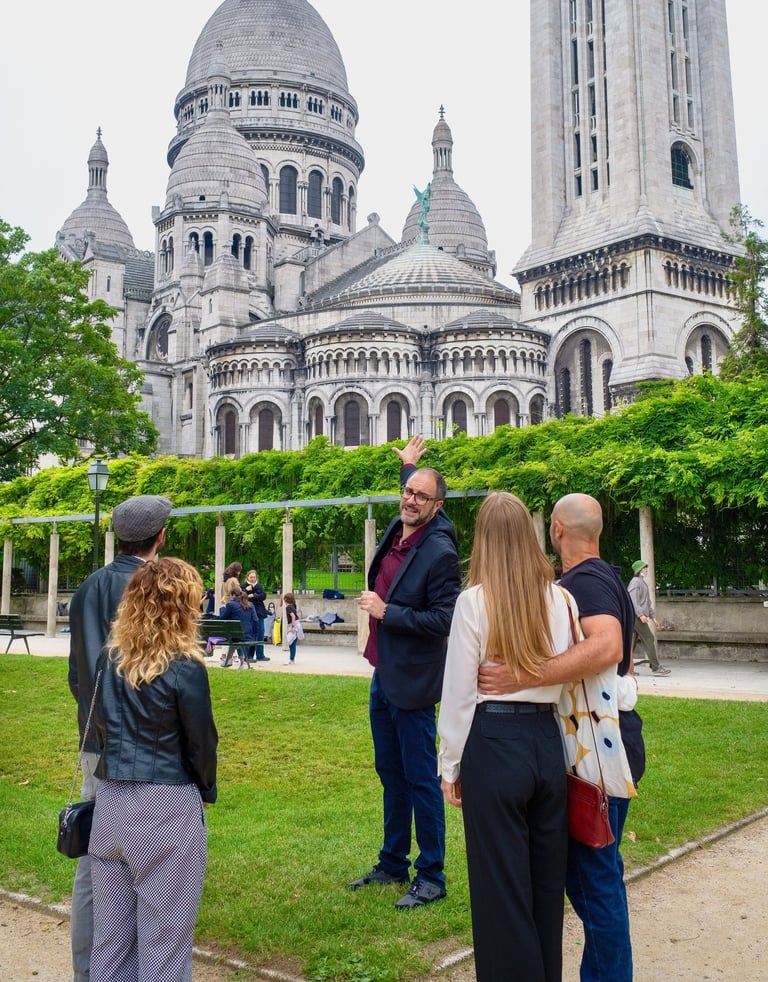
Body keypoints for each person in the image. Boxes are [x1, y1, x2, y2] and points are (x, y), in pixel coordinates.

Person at [478, 492, 645, 982]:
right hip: (608, 746)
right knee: (600, 878)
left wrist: (523, 675)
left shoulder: (586, 581)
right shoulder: (603, 576)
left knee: (595, 885)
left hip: (598, 752)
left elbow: (607, 646)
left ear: (555, 530)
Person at [439, 492, 575, 981]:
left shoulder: (473, 602)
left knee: (501, 895)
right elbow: (565, 675)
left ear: (483, 539)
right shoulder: (561, 598)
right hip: (545, 742)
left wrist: (448, 765)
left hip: (494, 742)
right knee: (544, 889)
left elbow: (458, 692)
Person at [89, 557, 218, 982]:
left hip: (110, 804)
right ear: (184, 607)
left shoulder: (110, 662)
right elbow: (201, 742)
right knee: (165, 948)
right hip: (163, 804)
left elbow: (102, 726)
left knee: (111, 946)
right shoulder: (185, 668)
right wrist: (205, 789)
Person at [349, 435, 461, 909]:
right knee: (389, 773)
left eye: (420, 496)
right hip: (384, 673)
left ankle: (431, 874)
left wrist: (386, 612)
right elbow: (413, 491)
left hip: (413, 682)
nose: (410, 500)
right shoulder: (401, 523)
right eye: (407, 492)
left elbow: (444, 620)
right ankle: (392, 862)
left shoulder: (440, 551)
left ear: (438, 506)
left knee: (419, 779)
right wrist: (410, 467)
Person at [67, 493, 172, 982]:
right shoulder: (153, 586)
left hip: (95, 734)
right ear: (160, 537)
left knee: (97, 857)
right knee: (156, 858)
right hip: (144, 741)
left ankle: (93, 969)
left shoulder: (88, 586)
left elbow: (78, 670)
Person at [628, 560, 670, 676]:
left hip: (636, 617)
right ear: (638, 570)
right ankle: (656, 667)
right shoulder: (635, 582)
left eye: (646, 568)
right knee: (649, 638)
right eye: (644, 568)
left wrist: (653, 618)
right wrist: (640, 614)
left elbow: (646, 603)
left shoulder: (642, 582)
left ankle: (626, 669)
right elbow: (633, 600)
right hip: (636, 617)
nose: (646, 570)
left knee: (630, 644)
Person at [220, 578, 261, 667]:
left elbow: (222, 618)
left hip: (235, 636)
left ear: (233, 595)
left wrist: (223, 606)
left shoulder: (231, 604)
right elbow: (256, 620)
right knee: (238, 635)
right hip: (248, 636)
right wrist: (254, 635)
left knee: (235, 636)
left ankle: (230, 659)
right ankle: (241, 662)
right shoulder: (250, 605)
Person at [242, 569, 270, 661]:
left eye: (254, 577)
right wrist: (246, 591)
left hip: (259, 612)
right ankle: (248, 656)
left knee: (260, 633)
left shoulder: (259, 586)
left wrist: (253, 596)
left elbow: (263, 596)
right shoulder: (244, 587)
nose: (253, 579)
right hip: (248, 613)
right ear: (247, 577)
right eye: (251, 577)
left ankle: (260, 655)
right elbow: (241, 597)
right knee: (250, 633)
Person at [283, 592, 299, 665]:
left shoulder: (288, 607)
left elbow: (293, 616)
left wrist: (293, 627)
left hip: (292, 624)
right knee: (293, 642)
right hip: (296, 623)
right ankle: (292, 658)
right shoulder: (293, 606)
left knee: (291, 642)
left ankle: (291, 659)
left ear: (286, 600)